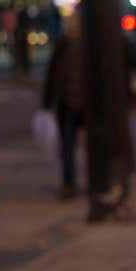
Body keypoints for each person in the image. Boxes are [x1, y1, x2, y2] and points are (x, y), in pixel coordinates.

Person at [42, 12, 88, 199]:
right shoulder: (62, 46)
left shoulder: (90, 46)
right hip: (66, 103)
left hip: (86, 104)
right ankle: (69, 182)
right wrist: (47, 101)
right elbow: (52, 74)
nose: (72, 27)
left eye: (75, 23)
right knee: (66, 146)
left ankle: (93, 181)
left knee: (88, 145)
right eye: (69, 23)